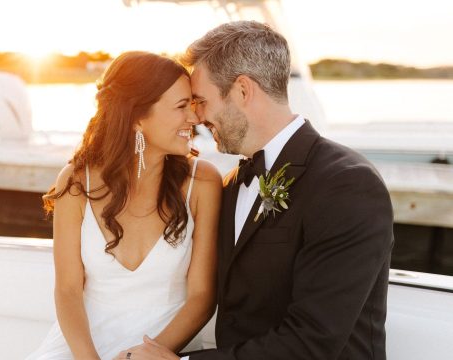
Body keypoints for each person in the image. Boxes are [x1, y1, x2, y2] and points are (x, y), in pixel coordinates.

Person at [118, 21, 394, 360]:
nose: (197, 116)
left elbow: (313, 342)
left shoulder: (347, 185)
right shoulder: (233, 182)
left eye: (201, 100)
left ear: (243, 91)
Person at [27, 51, 222, 360]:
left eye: (194, 105)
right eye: (182, 106)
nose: (195, 118)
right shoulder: (76, 183)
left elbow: (201, 297)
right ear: (137, 117)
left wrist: (145, 355)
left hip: (164, 348)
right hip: (82, 349)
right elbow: (67, 290)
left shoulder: (203, 182)